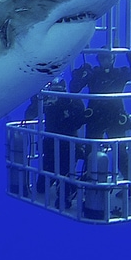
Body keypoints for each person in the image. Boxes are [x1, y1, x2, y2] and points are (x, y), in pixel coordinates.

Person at [34, 79, 90, 207]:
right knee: (40, 188)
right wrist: (36, 101)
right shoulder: (47, 102)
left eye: (60, 90)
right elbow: (29, 115)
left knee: (65, 181)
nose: (57, 94)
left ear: (65, 90)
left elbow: (79, 122)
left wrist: (67, 106)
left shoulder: (73, 101)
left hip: (68, 149)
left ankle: (68, 192)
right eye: (55, 90)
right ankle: (69, 186)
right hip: (50, 149)